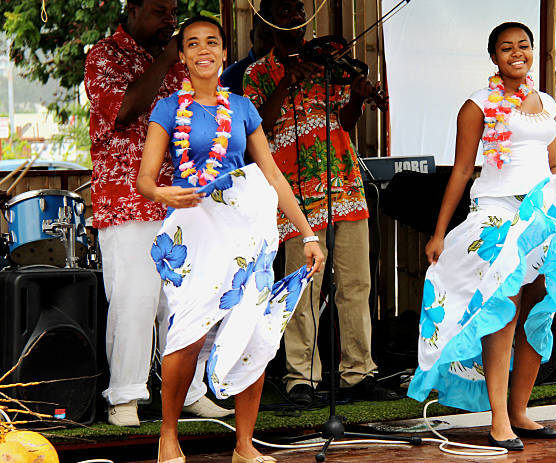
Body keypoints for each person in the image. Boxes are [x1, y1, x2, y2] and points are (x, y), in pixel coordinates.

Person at [136, 15, 324, 463]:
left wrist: (308, 232)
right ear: (181, 56)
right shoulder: (168, 109)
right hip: (196, 231)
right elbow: (145, 179)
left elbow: (272, 174)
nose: (203, 50)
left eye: (213, 43)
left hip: (246, 232)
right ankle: (168, 436)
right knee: (185, 332)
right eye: (193, 43)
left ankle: (244, 444)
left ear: (224, 53)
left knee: (252, 330)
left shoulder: (242, 108)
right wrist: (163, 192)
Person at [407, 22, 556, 451]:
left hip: (543, 211)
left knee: (538, 306)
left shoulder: (547, 103)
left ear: (532, 51)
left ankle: (521, 411)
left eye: (523, 45)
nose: (517, 53)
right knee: (501, 309)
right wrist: (439, 232)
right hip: (498, 211)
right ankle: (499, 419)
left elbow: (553, 164)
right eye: (507, 48)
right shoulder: (478, 105)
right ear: (494, 57)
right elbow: (463, 171)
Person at [84, 0, 232, 427]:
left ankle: (188, 391)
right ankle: (126, 398)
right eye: (159, 10)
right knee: (136, 298)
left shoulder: (182, 65)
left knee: (187, 301)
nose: (169, 18)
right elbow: (125, 109)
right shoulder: (104, 56)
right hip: (129, 199)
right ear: (132, 12)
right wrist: (168, 56)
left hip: (185, 200)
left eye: (173, 11)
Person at [243, 0, 398, 406]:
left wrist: (358, 98)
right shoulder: (257, 73)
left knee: (356, 285)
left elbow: (344, 122)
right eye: (285, 10)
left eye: (299, 9)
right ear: (267, 20)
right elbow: (256, 131)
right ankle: (301, 378)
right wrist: (286, 82)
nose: (295, 16)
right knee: (303, 289)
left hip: (345, 187)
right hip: (295, 196)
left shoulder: (330, 62)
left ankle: (358, 372)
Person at [220, 14, 271, 95]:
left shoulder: (289, 72)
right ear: (252, 37)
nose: (271, 42)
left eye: (277, 36)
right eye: (264, 36)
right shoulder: (232, 76)